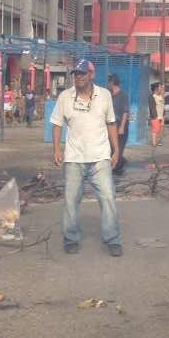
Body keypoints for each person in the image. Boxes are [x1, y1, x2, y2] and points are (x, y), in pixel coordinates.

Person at [49, 59, 121, 256]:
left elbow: (111, 123)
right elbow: (57, 124)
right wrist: (56, 149)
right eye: (75, 73)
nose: (78, 76)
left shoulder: (104, 95)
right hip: (73, 158)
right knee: (71, 200)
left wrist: (116, 150)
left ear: (91, 75)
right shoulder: (65, 97)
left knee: (108, 197)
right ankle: (70, 238)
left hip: (100, 157)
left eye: (82, 73)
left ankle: (112, 238)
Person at [108, 74, 129, 176]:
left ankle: (119, 169)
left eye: (109, 82)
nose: (108, 84)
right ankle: (119, 163)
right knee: (112, 149)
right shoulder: (109, 95)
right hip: (111, 126)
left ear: (113, 83)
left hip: (121, 126)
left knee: (118, 149)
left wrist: (122, 127)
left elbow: (126, 111)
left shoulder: (123, 95)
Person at [148, 82, 164, 147]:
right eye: (160, 87)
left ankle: (157, 141)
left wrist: (163, 115)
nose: (161, 88)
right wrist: (155, 116)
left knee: (160, 129)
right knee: (155, 129)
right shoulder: (152, 97)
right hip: (155, 116)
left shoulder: (160, 96)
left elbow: (162, 106)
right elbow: (152, 107)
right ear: (156, 88)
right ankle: (154, 143)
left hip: (161, 116)